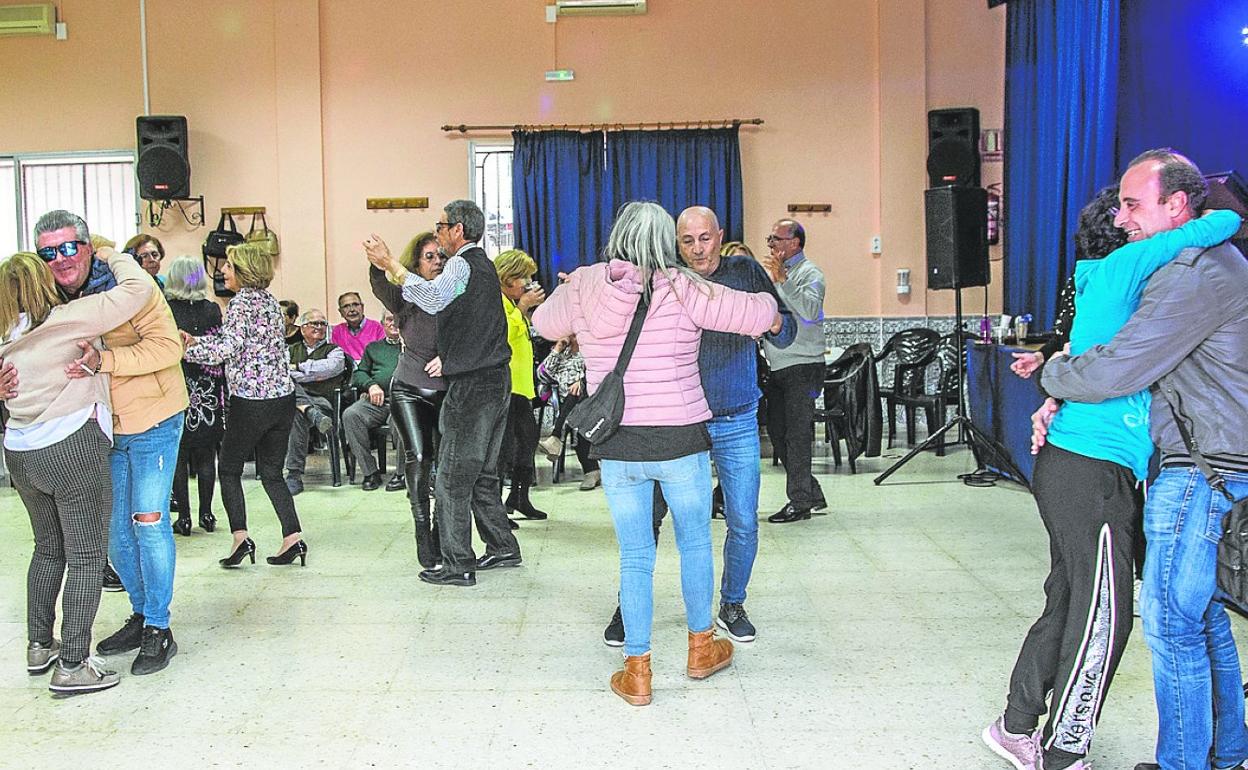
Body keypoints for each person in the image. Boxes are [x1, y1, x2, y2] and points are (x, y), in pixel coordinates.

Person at [980, 188, 1241, 770]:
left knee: (1073, 597)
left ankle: (1015, 725)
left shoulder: (1106, 287)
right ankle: (1065, 750)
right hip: (1090, 468)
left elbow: (1085, 352)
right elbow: (1194, 233)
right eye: (1126, 216)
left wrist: (1049, 383)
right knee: (1106, 613)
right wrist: (1222, 213)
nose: (1134, 225)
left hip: (1083, 464)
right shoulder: (1124, 269)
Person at [532, 200, 782, 706]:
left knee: (636, 554)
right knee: (694, 545)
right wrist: (773, 310)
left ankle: (638, 669)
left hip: (618, 444)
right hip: (680, 440)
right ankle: (699, 649)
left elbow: (543, 323)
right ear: (667, 242)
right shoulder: (684, 286)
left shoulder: (584, 282)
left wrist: (572, 294)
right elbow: (759, 312)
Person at [600, 206, 798, 648]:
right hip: (674, 425)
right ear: (675, 243)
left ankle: (731, 602)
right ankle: (628, 607)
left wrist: (770, 322)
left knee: (743, 520)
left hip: (735, 418)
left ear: (719, 235)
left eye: (705, 238)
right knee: (647, 520)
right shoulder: (661, 280)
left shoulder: (745, 272)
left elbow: (786, 331)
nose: (697, 249)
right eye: (687, 241)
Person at [31, 210, 189, 677]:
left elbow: (168, 348)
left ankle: (160, 628)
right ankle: (142, 615)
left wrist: (107, 360)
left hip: (154, 418)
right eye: (48, 253)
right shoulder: (49, 296)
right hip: (98, 429)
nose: (60, 260)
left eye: (67, 248)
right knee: (115, 533)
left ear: (87, 247)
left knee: (149, 520)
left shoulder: (130, 287)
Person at [2, 246, 154, 693]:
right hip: (70, 447)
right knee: (87, 556)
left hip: (21, 452)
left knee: (48, 550)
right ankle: (73, 664)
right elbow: (138, 288)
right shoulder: (68, 318)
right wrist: (113, 254)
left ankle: (38, 645)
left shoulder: (5, 333)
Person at [363, 200, 521, 586]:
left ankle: (457, 564)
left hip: (473, 387)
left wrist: (392, 265)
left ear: (458, 231)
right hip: (496, 381)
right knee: (482, 475)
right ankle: (502, 546)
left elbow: (433, 298)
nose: (438, 233)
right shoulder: (484, 266)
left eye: (442, 226)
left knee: (451, 478)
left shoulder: (463, 264)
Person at [183, 242, 307, 568]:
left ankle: (240, 538)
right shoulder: (269, 302)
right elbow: (243, 343)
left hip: (251, 401)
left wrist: (184, 350)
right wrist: (196, 341)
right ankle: (292, 537)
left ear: (243, 270)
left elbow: (227, 349)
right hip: (282, 398)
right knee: (271, 472)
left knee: (228, 468)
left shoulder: (239, 305)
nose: (223, 270)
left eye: (229, 266)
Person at [368, 230, 447, 567]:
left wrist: (451, 357)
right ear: (415, 263)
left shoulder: (451, 293)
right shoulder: (404, 295)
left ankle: (442, 529)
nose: (437, 262)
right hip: (409, 388)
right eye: (429, 257)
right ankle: (421, 527)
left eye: (441, 256)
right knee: (418, 455)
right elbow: (378, 281)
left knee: (445, 464)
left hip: (446, 390)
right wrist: (376, 260)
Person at [759, 217, 827, 523]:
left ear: (794, 243)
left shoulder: (811, 273)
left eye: (776, 239)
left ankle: (800, 502)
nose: (771, 245)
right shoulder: (776, 274)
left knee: (797, 435)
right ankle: (811, 492)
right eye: (770, 239)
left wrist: (783, 280)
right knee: (778, 431)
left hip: (804, 365)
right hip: (779, 365)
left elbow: (811, 311)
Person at [164, 256, 226, 536]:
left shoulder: (166, 311)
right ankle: (207, 513)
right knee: (206, 455)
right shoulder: (212, 310)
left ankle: (185, 517)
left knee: (180, 454)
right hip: (209, 390)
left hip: (177, 387)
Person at [495, 249, 548, 521]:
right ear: (508, 277)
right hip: (506, 388)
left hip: (524, 387)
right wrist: (523, 307)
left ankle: (520, 497)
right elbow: (502, 333)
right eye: (523, 277)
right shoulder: (498, 303)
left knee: (527, 444)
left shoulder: (514, 305)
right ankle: (497, 510)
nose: (527, 283)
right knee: (505, 450)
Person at [283, 308, 348, 495]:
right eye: (314, 323)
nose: (319, 327)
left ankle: (293, 475)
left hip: (322, 402)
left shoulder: (334, 350)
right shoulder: (290, 350)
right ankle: (309, 412)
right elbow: (282, 373)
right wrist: (313, 374)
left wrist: (299, 369)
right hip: (292, 403)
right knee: (294, 405)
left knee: (295, 406)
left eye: (322, 324)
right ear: (303, 328)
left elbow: (330, 368)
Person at [342, 310, 401, 490]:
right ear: (383, 324)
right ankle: (370, 472)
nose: (394, 323)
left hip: (404, 401)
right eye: (390, 320)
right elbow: (359, 373)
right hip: (377, 401)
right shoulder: (374, 348)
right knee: (351, 415)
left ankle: (402, 474)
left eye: (399, 320)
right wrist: (371, 385)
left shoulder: (415, 347)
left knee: (403, 421)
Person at [537, 336, 600, 490]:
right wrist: (558, 348)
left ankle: (555, 437)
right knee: (573, 413)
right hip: (567, 404)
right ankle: (592, 471)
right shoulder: (562, 354)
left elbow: (601, 372)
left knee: (575, 395)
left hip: (589, 399)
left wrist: (582, 382)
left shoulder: (590, 351)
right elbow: (542, 374)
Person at [330, 291, 385, 363]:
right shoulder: (337, 331)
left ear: (362, 307)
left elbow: (382, 357)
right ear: (341, 312)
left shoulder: (377, 328)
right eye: (346, 306)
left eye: (355, 304)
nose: (352, 310)